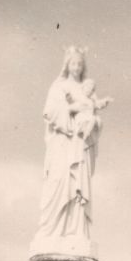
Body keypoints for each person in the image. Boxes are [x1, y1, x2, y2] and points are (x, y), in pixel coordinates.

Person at [32, 46, 105, 250]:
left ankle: (75, 231)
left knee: (77, 189)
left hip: (79, 145)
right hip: (62, 142)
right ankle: (53, 231)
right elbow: (50, 112)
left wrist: (93, 122)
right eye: (73, 63)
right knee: (58, 182)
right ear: (67, 64)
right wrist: (72, 110)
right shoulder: (59, 86)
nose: (76, 67)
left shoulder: (87, 90)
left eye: (80, 64)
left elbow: (93, 113)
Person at [71, 77, 113, 142]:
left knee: (98, 121)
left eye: (92, 90)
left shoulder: (91, 101)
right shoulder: (80, 98)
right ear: (83, 88)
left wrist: (105, 101)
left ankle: (89, 135)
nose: (90, 91)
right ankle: (84, 133)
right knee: (92, 119)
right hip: (81, 117)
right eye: (88, 88)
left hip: (89, 117)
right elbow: (73, 104)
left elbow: (98, 104)